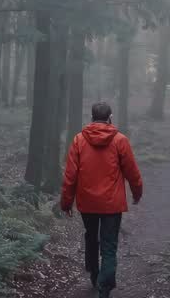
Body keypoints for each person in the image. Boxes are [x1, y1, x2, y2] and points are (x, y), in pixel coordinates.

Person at [60, 102, 143, 297]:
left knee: (91, 236)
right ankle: (104, 288)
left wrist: (66, 202)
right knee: (109, 245)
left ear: (91, 118)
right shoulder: (120, 140)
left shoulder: (79, 140)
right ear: (110, 117)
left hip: (87, 202)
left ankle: (94, 273)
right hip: (112, 204)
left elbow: (70, 175)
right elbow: (132, 171)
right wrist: (137, 193)